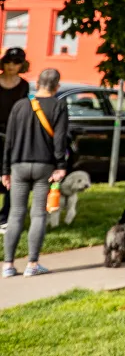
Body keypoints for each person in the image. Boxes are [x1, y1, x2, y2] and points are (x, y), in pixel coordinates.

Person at [2, 67, 68, 277]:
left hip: (18, 165)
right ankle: (32, 264)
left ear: (37, 84)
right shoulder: (59, 106)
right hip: (44, 166)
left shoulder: (19, 106)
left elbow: (9, 141)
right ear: (57, 86)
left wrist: (5, 170)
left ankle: (8, 265)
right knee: (38, 213)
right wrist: (60, 166)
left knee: (15, 214)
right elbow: (60, 140)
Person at [0, 48, 30, 230]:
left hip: (13, 135)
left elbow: (24, 111)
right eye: (8, 62)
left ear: (22, 65)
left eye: (16, 63)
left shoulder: (23, 85)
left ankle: (6, 214)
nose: (11, 66)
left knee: (11, 174)